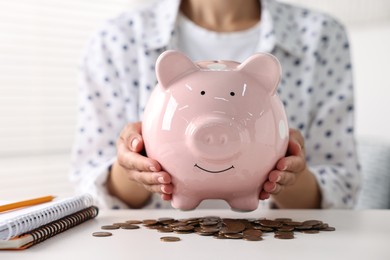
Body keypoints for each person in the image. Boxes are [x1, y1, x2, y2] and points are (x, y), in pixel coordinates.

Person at [70, 0, 361, 210]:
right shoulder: (116, 39)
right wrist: (134, 168)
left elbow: (341, 190)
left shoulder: (321, 35)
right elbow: (90, 190)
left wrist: (291, 174)